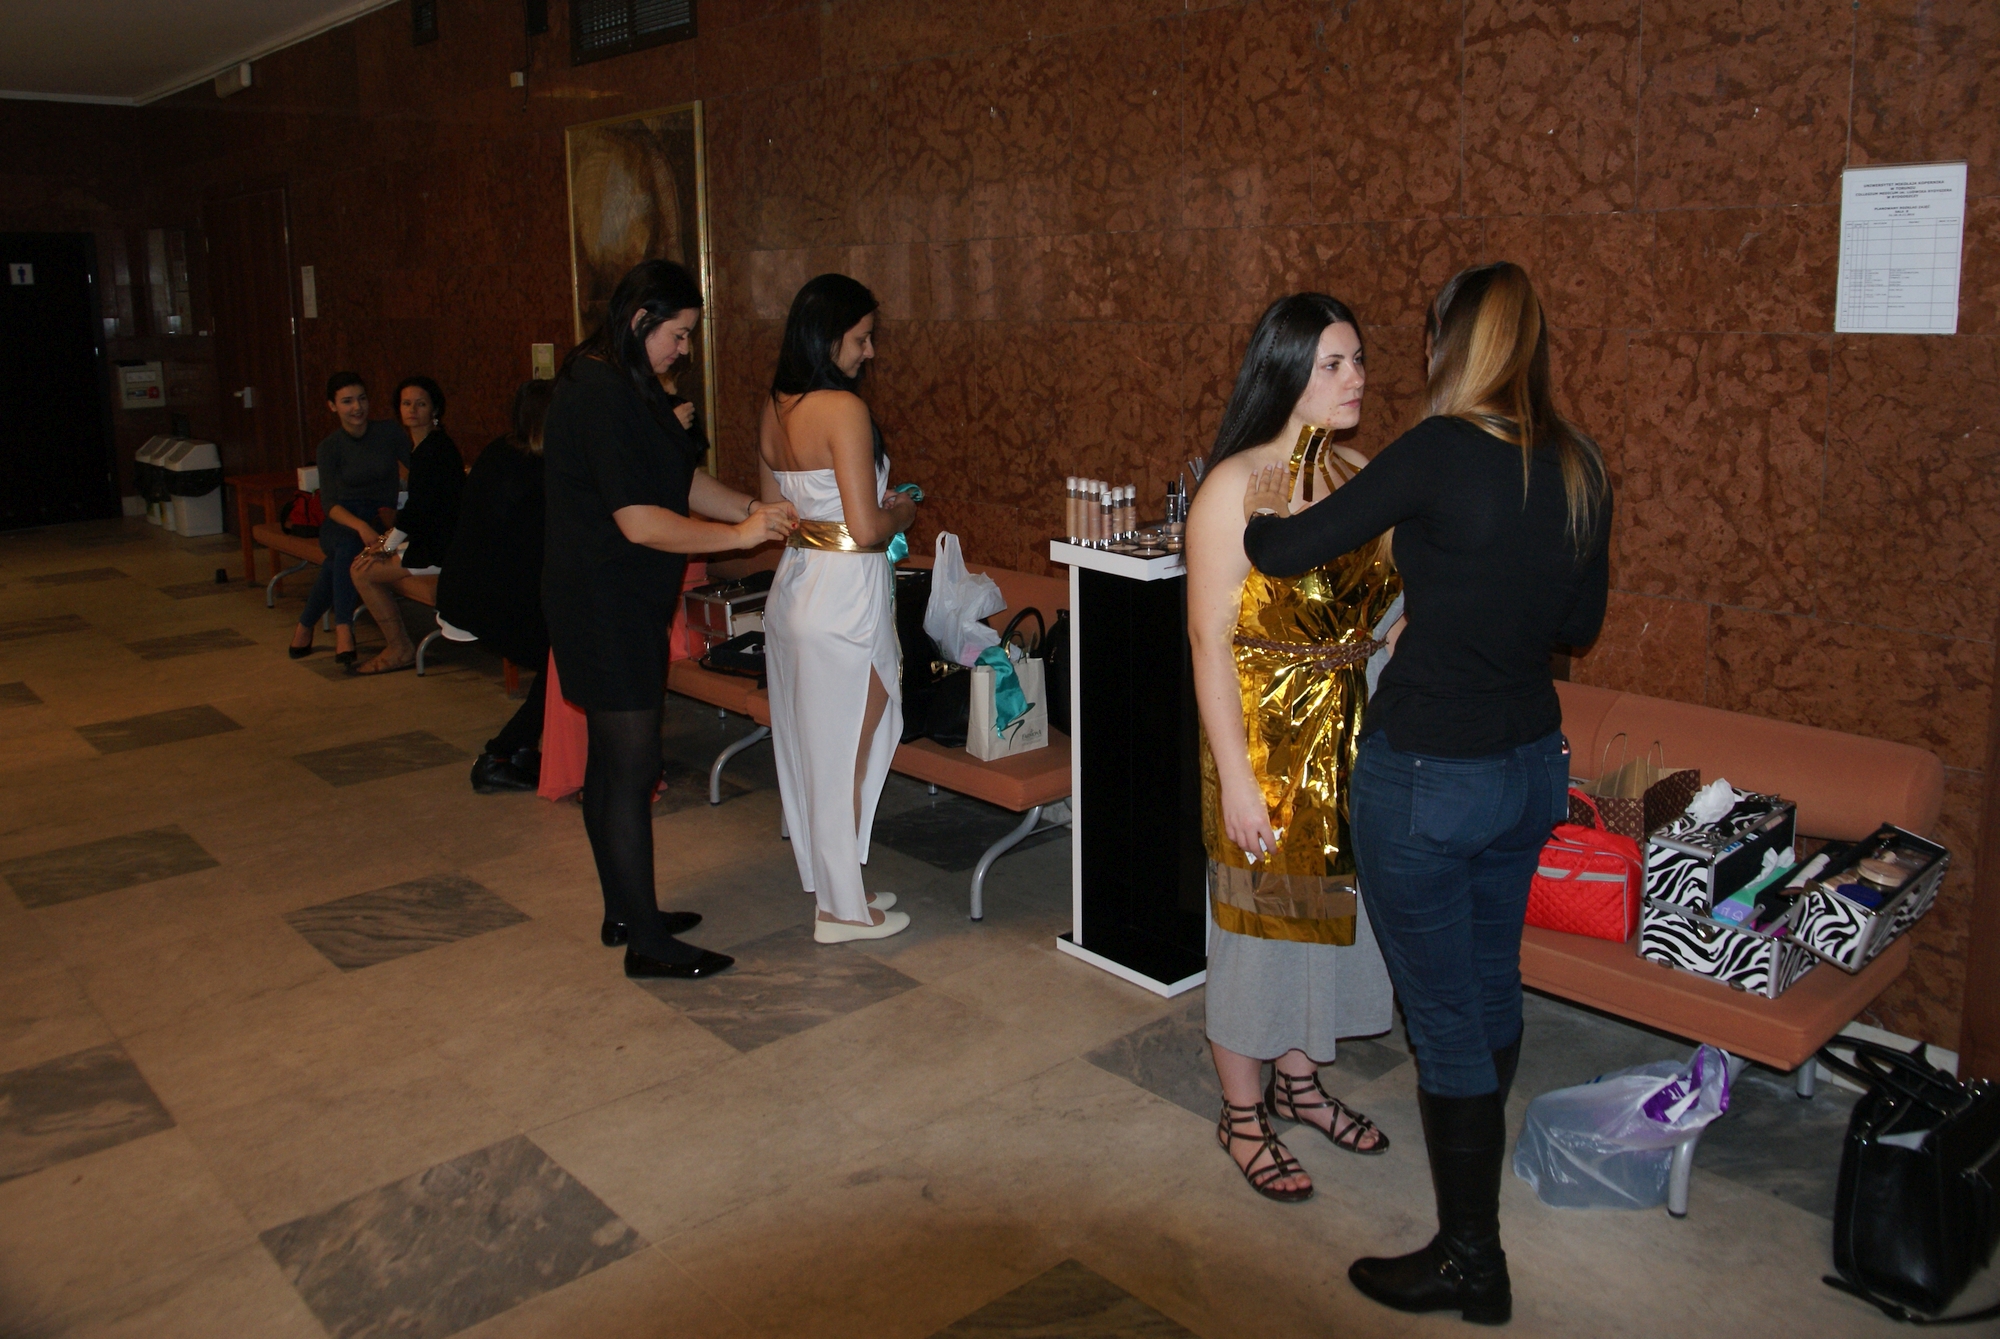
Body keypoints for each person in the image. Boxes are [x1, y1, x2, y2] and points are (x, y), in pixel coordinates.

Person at [1242, 262, 1611, 1325]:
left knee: (1444, 1016)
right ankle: (1473, 1213)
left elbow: (1283, 548)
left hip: (1428, 780)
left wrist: (1262, 490)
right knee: (1490, 988)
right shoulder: (1578, 463)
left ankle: (1470, 1260)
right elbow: (1578, 625)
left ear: (1454, 343)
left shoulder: (1440, 449)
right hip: (1529, 767)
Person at [1186, 294, 1400, 1205]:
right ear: (1286, 374)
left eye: (1358, 360)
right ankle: (1243, 1113)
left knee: (1331, 920)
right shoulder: (1235, 485)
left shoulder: (1358, 471)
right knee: (1257, 929)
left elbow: (1390, 589)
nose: (1356, 379)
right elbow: (1206, 639)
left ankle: (1301, 1083)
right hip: (1268, 739)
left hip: (1353, 727)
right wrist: (1237, 780)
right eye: (1332, 365)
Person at [543, 258, 795, 980]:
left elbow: (676, 479)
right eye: (677, 335)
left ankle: (628, 911)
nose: (683, 351)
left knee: (614, 762)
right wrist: (739, 537)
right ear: (639, 320)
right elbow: (640, 520)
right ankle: (647, 942)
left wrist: (752, 508)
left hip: (617, 598)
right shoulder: (598, 393)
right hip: (603, 602)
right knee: (631, 766)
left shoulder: (625, 380)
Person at [758, 274, 916, 945]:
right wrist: (903, 509)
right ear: (827, 338)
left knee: (820, 754)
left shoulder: (776, 407)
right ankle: (841, 912)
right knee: (845, 754)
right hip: (844, 598)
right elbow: (867, 526)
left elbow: (777, 514)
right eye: (861, 338)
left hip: (797, 588)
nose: (869, 351)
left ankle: (839, 887)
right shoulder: (842, 410)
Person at [437, 379, 555, 792]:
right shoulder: (537, 471)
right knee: (564, 661)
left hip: (467, 589)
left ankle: (521, 750)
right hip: (490, 596)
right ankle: (498, 756)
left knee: (558, 660)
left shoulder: (501, 451)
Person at [350, 376, 464, 675]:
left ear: (434, 409)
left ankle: (399, 648)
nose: (412, 410)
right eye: (406, 403)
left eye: (420, 404)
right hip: (432, 540)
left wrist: (387, 546)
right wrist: (386, 544)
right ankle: (398, 645)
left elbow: (420, 510)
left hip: (443, 550)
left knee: (361, 571)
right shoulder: (424, 446)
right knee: (363, 561)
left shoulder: (435, 449)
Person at [291, 373, 408, 664]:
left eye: (362, 399)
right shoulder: (329, 447)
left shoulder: (388, 432)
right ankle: (344, 628)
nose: (357, 407)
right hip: (343, 520)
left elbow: (418, 467)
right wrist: (361, 526)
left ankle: (306, 626)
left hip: (382, 516)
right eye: (347, 401)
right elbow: (330, 504)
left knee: (339, 559)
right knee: (348, 545)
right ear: (332, 406)